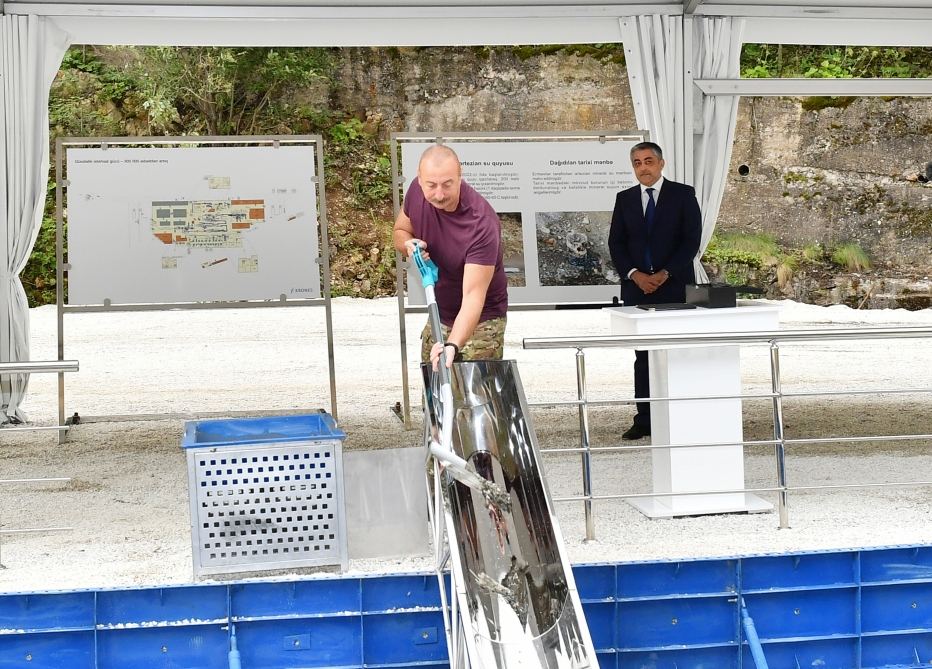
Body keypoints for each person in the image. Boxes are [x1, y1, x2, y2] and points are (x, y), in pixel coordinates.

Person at [608, 141, 702, 440]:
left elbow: (691, 241)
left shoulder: (683, 195)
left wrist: (665, 273)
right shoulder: (624, 199)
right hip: (638, 290)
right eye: (637, 162)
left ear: (661, 164)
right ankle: (645, 418)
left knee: (677, 353)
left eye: (648, 161)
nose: (643, 167)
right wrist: (636, 275)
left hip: (673, 286)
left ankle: (682, 414)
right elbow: (617, 243)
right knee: (644, 356)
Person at [393, 144, 508, 370]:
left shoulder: (481, 223)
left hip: (481, 320)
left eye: (447, 184)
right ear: (419, 178)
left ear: (459, 176)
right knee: (435, 394)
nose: (439, 194)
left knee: (473, 400)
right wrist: (409, 246)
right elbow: (400, 231)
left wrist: (453, 345)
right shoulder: (416, 191)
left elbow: (473, 296)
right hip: (439, 313)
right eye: (431, 185)